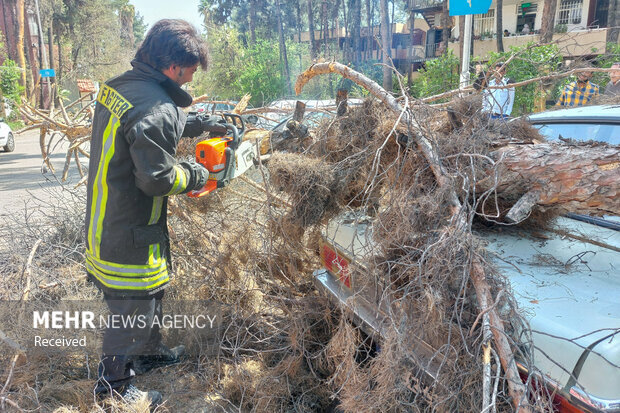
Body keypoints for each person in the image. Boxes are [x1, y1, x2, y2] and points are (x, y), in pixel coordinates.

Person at [85, 19, 209, 408]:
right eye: (189, 73)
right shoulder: (155, 106)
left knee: (150, 292)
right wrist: (196, 175)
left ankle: (149, 350)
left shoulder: (123, 87)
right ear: (173, 67)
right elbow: (155, 179)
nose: (189, 81)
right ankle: (115, 388)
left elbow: (148, 125)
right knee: (132, 303)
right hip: (128, 229)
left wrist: (203, 124)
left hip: (107, 219)